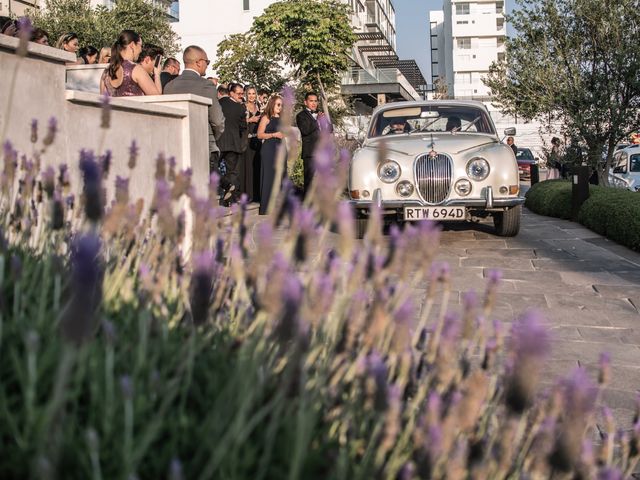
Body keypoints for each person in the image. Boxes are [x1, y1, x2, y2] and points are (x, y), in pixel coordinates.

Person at [164, 45, 225, 178]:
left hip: (177, 146)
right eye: (207, 62)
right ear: (198, 62)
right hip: (204, 146)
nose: (207, 65)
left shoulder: (169, 86)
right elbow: (218, 121)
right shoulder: (206, 85)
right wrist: (212, 138)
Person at [100, 30, 161, 97]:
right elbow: (157, 98)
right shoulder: (136, 70)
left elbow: (104, 102)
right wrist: (157, 75)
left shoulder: (106, 72)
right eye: (141, 45)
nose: (141, 50)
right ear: (132, 45)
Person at [296, 92, 332, 195]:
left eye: (315, 101)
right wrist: (317, 121)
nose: (313, 103)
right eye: (311, 101)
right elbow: (305, 130)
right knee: (309, 180)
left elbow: (330, 129)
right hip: (310, 153)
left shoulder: (320, 114)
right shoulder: (301, 115)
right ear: (305, 102)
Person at [218, 83, 248, 205]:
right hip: (233, 143)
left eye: (242, 94)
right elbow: (243, 127)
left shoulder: (218, 104)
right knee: (232, 172)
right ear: (231, 93)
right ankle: (227, 190)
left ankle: (226, 197)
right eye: (239, 93)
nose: (241, 96)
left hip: (219, 141)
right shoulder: (240, 108)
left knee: (213, 168)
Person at [257, 94, 285, 215]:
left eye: (282, 105)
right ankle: (266, 208)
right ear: (272, 104)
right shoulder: (266, 117)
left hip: (281, 148)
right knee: (268, 178)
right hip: (269, 149)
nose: (280, 107)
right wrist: (274, 134)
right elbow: (259, 135)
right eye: (278, 104)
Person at [241, 86, 262, 201]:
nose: (252, 96)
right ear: (246, 94)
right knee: (248, 168)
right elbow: (238, 122)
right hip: (247, 141)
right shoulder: (242, 107)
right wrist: (250, 120)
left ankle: (256, 194)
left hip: (257, 141)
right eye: (249, 93)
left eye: (254, 93)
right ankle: (247, 195)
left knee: (257, 166)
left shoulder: (259, 107)